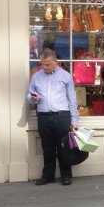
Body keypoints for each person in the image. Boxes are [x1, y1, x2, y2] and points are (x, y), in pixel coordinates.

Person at [28, 50, 79, 186]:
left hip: (61, 116)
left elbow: (72, 99)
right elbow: (29, 96)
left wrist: (74, 120)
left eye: (47, 65)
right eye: (43, 64)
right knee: (47, 148)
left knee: (64, 148)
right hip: (43, 117)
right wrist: (33, 98)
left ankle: (66, 176)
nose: (44, 67)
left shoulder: (65, 76)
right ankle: (47, 176)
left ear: (55, 62)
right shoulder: (36, 77)